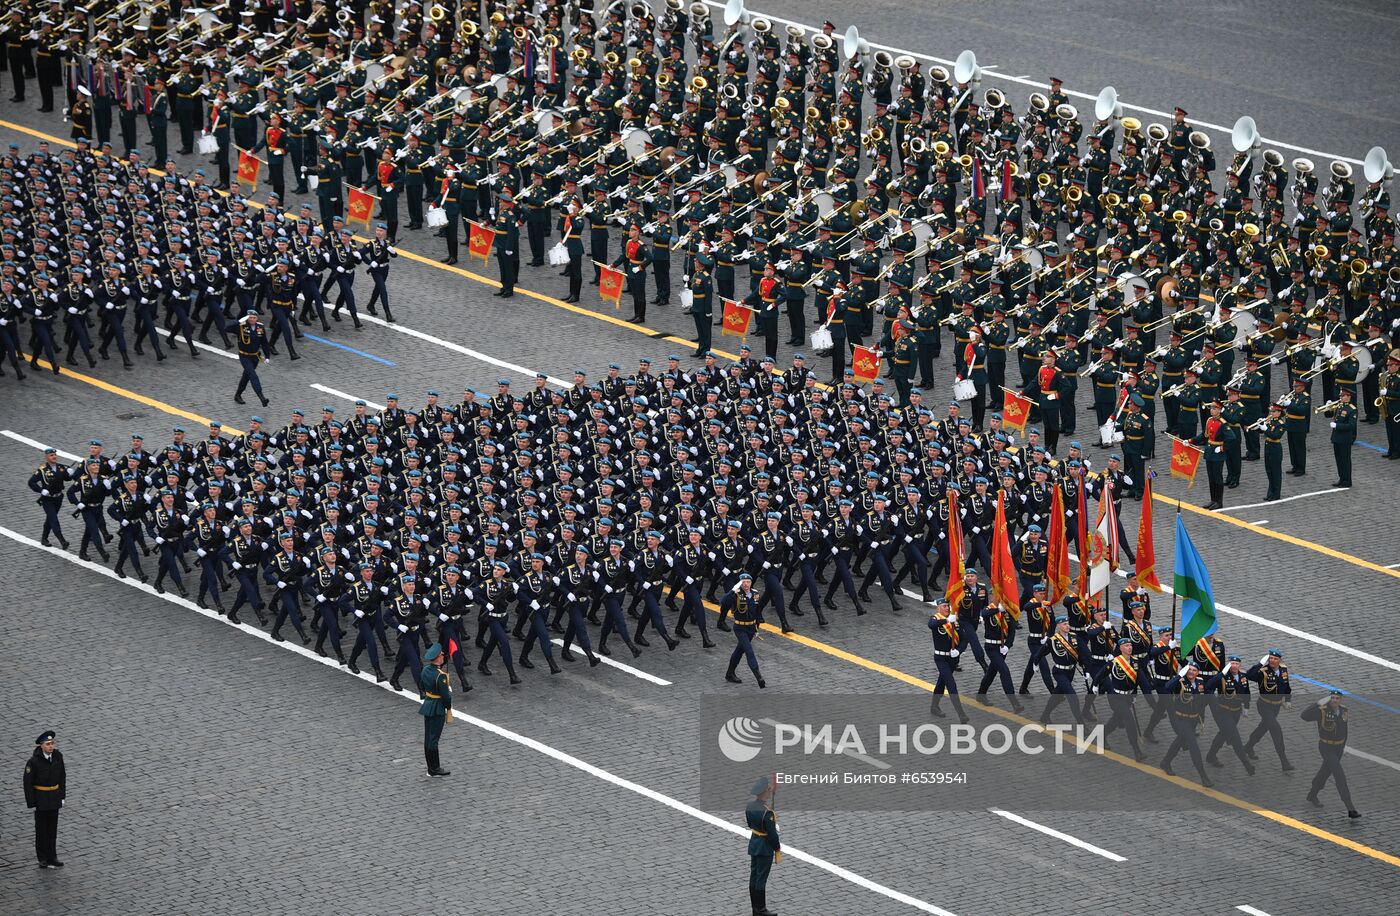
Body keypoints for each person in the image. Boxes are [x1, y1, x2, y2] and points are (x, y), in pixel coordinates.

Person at [1302, 691, 1360, 818]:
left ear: (1340, 700)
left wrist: (1342, 748)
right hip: (1326, 747)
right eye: (1332, 698)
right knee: (1339, 775)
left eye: (1337, 698)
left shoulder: (1344, 710)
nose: (1334, 700)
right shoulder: (1321, 710)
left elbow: (1345, 731)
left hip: (1338, 748)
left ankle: (1312, 794)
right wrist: (1318, 703)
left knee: (1324, 772)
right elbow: (1304, 716)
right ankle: (1350, 808)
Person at [23, 730, 66, 868]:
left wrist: (62, 796)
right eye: (48, 744)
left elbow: (62, 777)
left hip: (54, 797)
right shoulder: (33, 762)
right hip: (41, 798)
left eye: (52, 743)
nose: (51, 746)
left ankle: (52, 856)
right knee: (41, 830)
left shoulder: (58, 757)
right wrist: (32, 802)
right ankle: (42, 857)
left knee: (52, 829)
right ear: (41, 746)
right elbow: (28, 783)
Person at [722, 573, 766, 687]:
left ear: (751, 583)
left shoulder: (755, 594)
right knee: (749, 651)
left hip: (751, 628)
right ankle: (759, 677)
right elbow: (723, 602)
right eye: (743, 582)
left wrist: (757, 628)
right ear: (740, 583)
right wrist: (732, 590)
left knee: (739, 651)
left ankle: (729, 673)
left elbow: (757, 612)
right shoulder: (736, 594)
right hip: (740, 628)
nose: (746, 584)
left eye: (748, 582)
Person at [745, 776, 781, 916]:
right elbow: (772, 836)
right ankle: (761, 909)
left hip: (754, 844)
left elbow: (750, 824)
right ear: (764, 792)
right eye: (768, 789)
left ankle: (755, 907)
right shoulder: (768, 813)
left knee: (753, 876)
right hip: (765, 848)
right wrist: (777, 849)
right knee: (761, 878)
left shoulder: (750, 807)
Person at [418, 644, 453, 777]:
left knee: (428, 737)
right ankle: (435, 768)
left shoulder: (426, 669)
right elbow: (445, 697)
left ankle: (430, 767)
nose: (444, 657)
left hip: (428, 704)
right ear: (438, 658)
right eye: (443, 655)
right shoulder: (441, 676)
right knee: (433, 739)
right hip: (437, 707)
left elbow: (422, 685)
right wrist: (448, 707)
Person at [233, 311, 271, 407]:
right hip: (244, 356)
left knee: (246, 377)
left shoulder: (260, 327)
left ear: (257, 318)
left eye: (254, 318)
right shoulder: (241, 326)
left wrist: (267, 356)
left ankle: (238, 395)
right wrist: (238, 321)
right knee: (253, 375)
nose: (252, 319)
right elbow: (226, 328)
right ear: (247, 318)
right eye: (250, 317)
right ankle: (262, 398)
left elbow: (264, 343)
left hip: (255, 357)